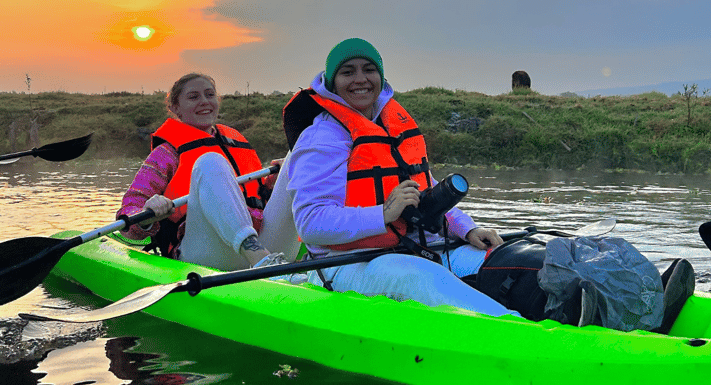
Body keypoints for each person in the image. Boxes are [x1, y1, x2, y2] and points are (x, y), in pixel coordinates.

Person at [280, 38, 519, 317]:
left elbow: (427, 192)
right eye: (348, 72)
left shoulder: (393, 128)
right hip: (345, 263)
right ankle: (520, 330)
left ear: (380, 76)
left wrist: (468, 229)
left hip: (414, 247)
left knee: (499, 259)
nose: (360, 79)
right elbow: (310, 223)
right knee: (420, 276)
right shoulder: (320, 139)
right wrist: (382, 214)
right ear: (333, 82)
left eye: (369, 69)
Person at [116, 72, 299, 273]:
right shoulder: (165, 153)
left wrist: (275, 181)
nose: (204, 102)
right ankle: (258, 257)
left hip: (269, 247)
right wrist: (148, 212)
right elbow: (130, 210)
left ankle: (328, 251)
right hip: (206, 255)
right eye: (193, 97)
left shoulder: (236, 141)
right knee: (209, 161)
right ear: (175, 108)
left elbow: (259, 196)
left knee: (297, 156)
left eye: (209, 95)